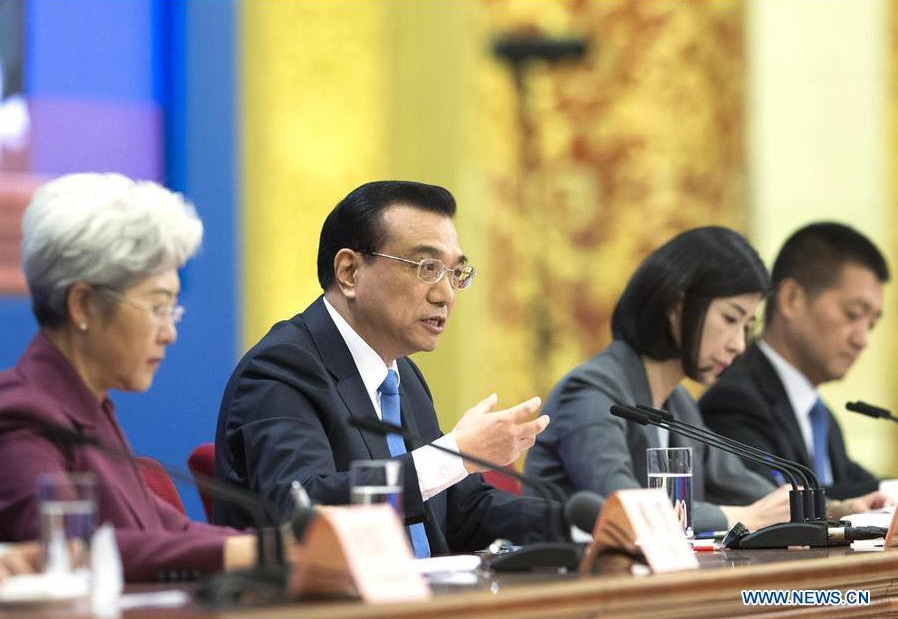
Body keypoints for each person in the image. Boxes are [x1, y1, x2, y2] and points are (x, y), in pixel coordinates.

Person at [215, 181, 554, 556]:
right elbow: (304, 507)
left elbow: (464, 511)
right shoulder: (281, 368)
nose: (446, 295)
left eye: (455, 273)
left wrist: (579, 522)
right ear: (349, 271)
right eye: (427, 268)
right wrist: (455, 453)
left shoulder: (402, 376)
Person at [525, 227, 873, 534]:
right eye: (730, 318)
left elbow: (742, 484)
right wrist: (744, 518)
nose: (738, 344)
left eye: (747, 326)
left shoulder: (679, 404)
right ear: (676, 307)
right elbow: (627, 510)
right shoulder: (590, 394)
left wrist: (837, 511)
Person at [0, 173, 257, 582]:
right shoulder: (22, 415)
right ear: (83, 303)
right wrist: (250, 551)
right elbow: (69, 549)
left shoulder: (90, 410)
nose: (169, 332)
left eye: (172, 310)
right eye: (158, 307)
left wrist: (284, 549)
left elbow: (174, 533)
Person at [700, 222, 891, 503]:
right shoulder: (736, 401)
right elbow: (773, 500)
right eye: (853, 314)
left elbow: (856, 485)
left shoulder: (820, 416)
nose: (862, 339)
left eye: (871, 324)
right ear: (791, 299)